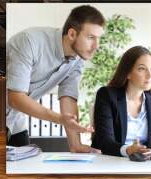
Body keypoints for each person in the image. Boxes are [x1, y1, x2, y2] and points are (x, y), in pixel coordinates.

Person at [6, 5, 105, 152]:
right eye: (91, 37)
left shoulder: (77, 59)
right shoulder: (30, 41)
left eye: (99, 38)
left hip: (16, 120)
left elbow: (68, 98)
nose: (96, 46)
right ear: (72, 34)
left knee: (24, 165)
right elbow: (15, 97)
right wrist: (58, 118)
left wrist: (75, 144)